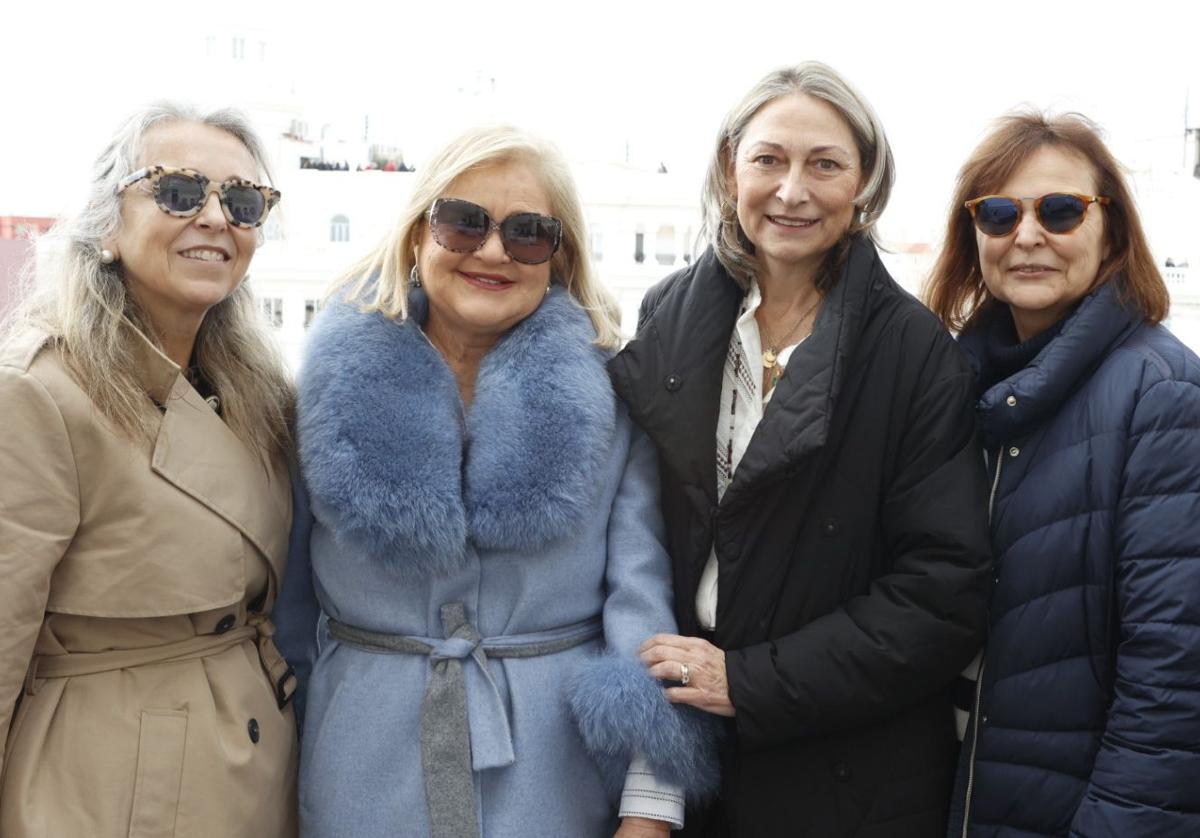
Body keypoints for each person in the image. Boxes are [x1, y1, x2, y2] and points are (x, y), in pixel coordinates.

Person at [275, 125, 718, 838]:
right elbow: (286, 615)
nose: (491, 251)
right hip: (357, 774)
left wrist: (650, 809)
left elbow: (641, 614)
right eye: (463, 221)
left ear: (559, 255)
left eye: (528, 233)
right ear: (419, 232)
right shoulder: (324, 397)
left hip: (554, 786)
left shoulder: (609, 403)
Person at [608, 62, 993, 837]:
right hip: (690, 755)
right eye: (768, 159)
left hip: (849, 775)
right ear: (729, 168)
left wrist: (749, 681)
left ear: (865, 185)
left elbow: (942, 593)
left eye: (825, 164)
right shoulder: (669, 318)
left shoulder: (913, 352)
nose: (792, 191)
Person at [0, 103, 297, 836]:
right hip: (110, 786)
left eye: (242, 200)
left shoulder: (252, 391)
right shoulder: (39, 391)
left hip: (250, 764)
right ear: (106, 224)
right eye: (176, 191)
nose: (215, 217)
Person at [926, 112, 1200, 838]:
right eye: (997, 213)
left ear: (1112, 229)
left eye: (1060, 210)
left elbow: (1174, 674)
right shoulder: (957, 391)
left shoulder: (1162, 395)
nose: (1027, 235)